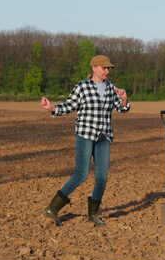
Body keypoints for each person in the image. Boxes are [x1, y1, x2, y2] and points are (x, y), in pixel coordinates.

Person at [40, 55, 130, 226]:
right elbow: (69, 105)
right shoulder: (82, 87)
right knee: (81, 175)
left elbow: (121, 108)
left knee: (102, 177)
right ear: (94, 68)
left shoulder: (111, 88)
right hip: (85, 135)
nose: (107, 71)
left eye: (109, 68)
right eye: (104, 68)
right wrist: (52, 108)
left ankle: (93, 213)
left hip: (104, 137)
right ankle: (52, 209)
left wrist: (124, 98)